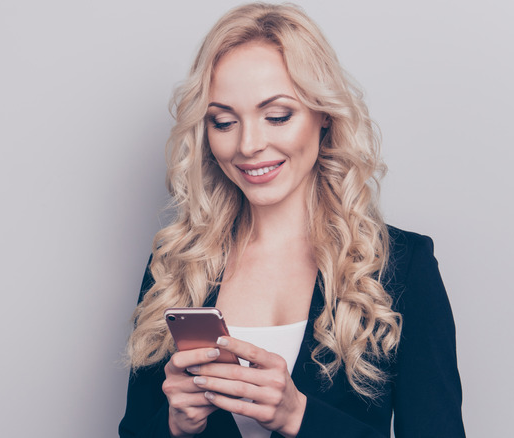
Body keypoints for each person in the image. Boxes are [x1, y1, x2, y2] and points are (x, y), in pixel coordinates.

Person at [119, 3, 465, 437]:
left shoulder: (402, 268)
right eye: (223, 121)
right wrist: (175, 426)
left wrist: (298, 416)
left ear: (323, 115)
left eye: (277, 116)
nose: (248, 144)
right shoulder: (176, 265)